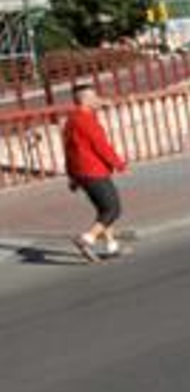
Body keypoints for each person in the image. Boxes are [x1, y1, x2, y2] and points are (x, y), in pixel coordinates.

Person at [59, 83, 127, 262]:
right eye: (94, 97)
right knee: (113, 209)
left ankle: (112, 246)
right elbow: (101, 146)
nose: (98, 99)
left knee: (103, 209)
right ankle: (86, 239)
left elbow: (68, 149)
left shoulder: (71, 120)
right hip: (94, 171)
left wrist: (72, 176)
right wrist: (119, 164)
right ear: (86, 100)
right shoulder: (86, 121)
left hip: (81, 172)